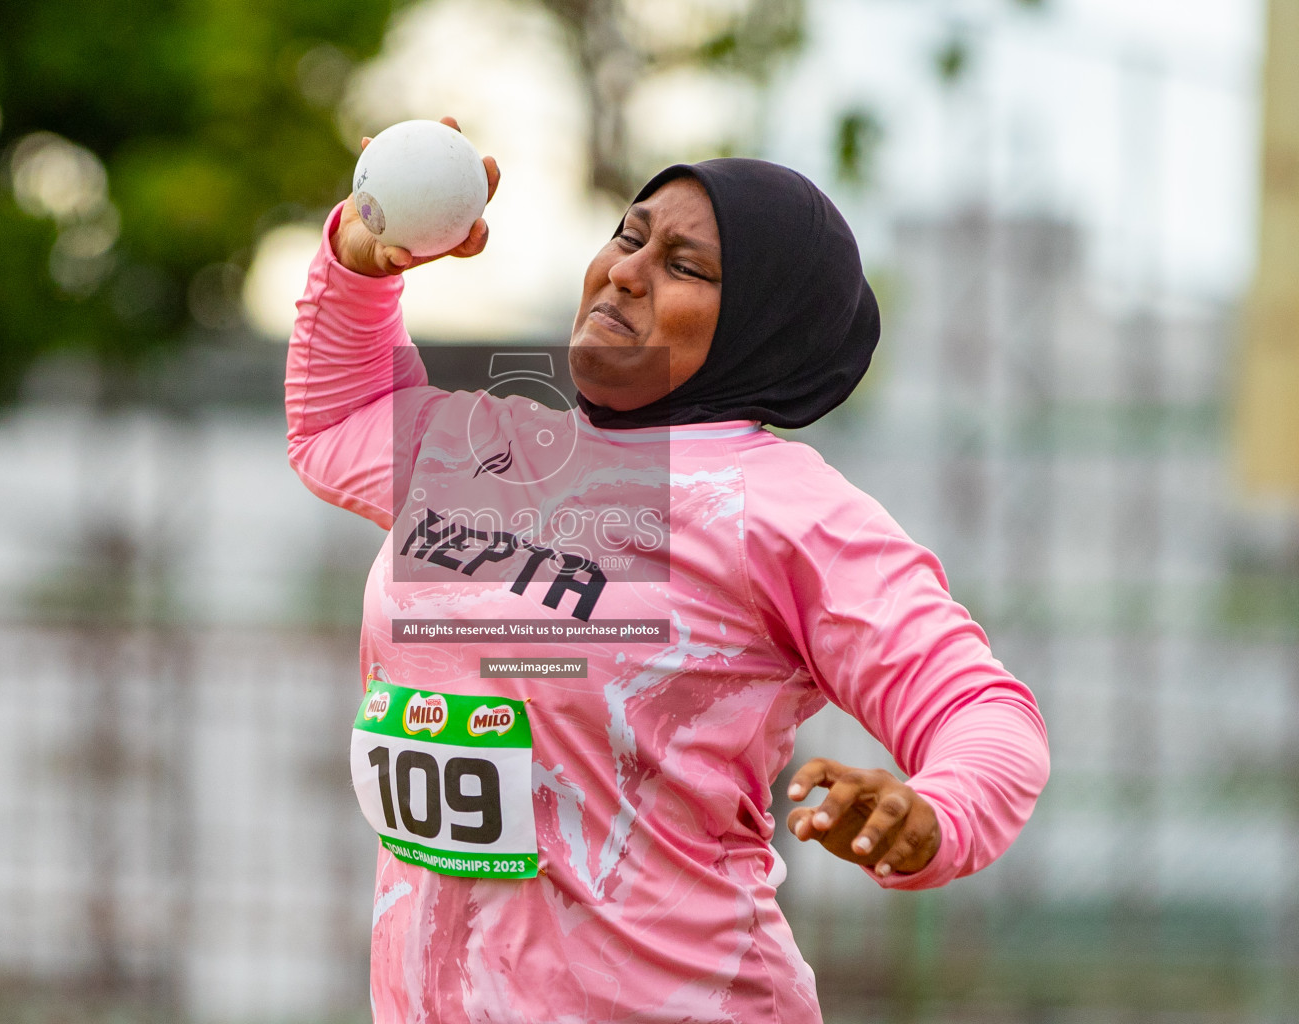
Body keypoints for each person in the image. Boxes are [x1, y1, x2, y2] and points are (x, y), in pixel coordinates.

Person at [285, 118, 1049, 1023]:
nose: (625, 271)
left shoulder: (783, 511)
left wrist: (933, 818)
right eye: (628, 234)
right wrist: (363, 265)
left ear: (767, 324)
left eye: (684, 267)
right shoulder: (491, 449)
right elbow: (335, 426)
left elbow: (984, 712)